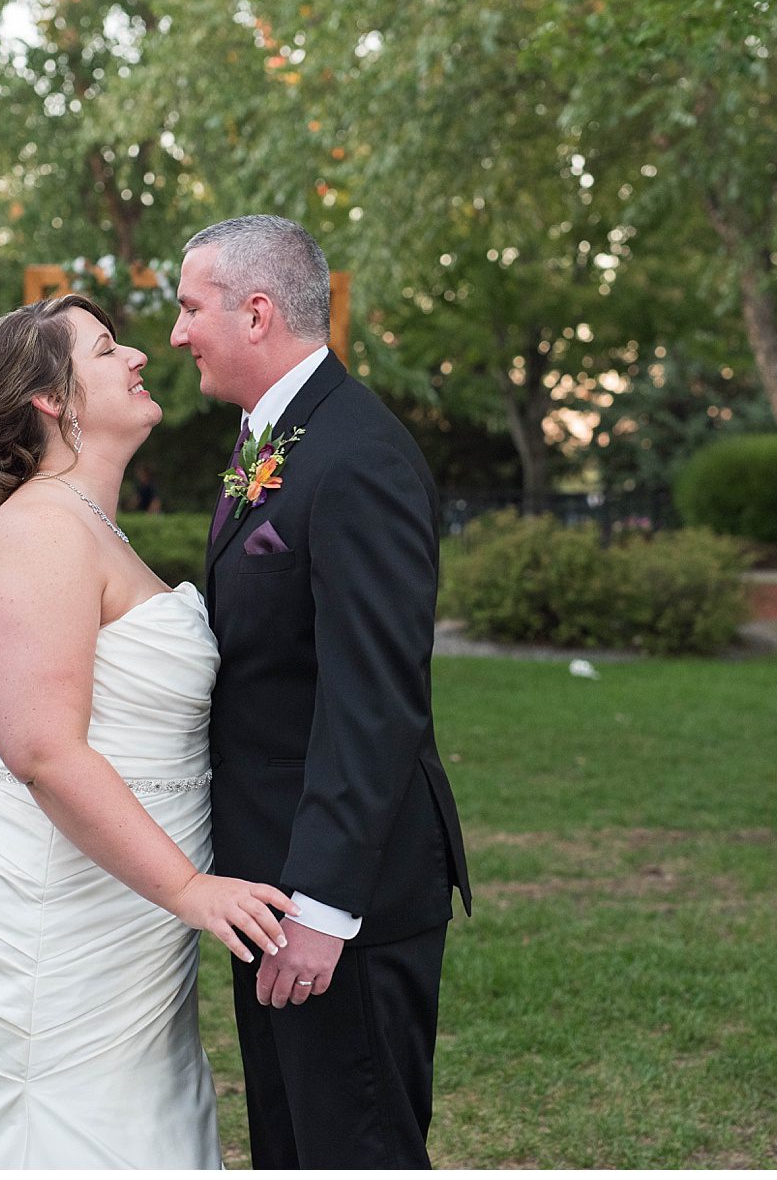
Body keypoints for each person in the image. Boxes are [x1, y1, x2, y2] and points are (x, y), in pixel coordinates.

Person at [0, 293, 295, 1169]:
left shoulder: (86, 525)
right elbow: (43, 750)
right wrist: (189, 888)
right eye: (104, 350)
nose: (137, 356)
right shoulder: (40, 532)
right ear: (51, 398)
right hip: (43, 912)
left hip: (117, 910)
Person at [171, 215, 473, 1168]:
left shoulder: (357, 454)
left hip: (340, 899)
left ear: (256, 313)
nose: (177, 334)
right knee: (291, 1148)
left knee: (355, 1149)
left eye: (190, 308)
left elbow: (373, 698)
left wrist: (323, 907)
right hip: (272, 882)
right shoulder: (279, 436)